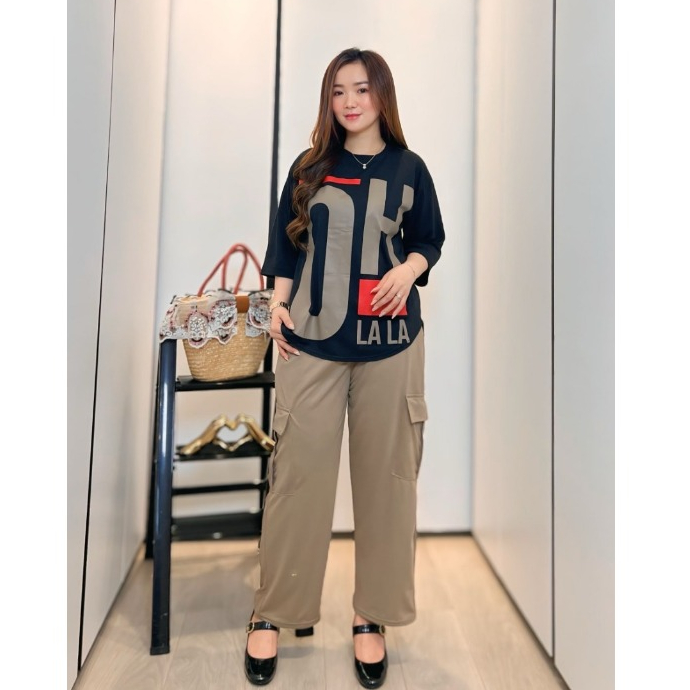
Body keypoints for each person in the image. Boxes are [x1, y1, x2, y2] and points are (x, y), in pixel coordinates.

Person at [244, 47, 445, 688]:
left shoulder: (410, 168)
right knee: (297, 478)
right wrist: (276, 306)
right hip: (311, 340)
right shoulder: (309, 168)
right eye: (338, 91)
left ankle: (370, 616)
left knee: (388, 482)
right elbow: (284, 245)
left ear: (382, 94)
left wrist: (409, 269)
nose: (350, 102)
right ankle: (273, 609)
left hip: (392, 341)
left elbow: (429, 239)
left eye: (361, 89)